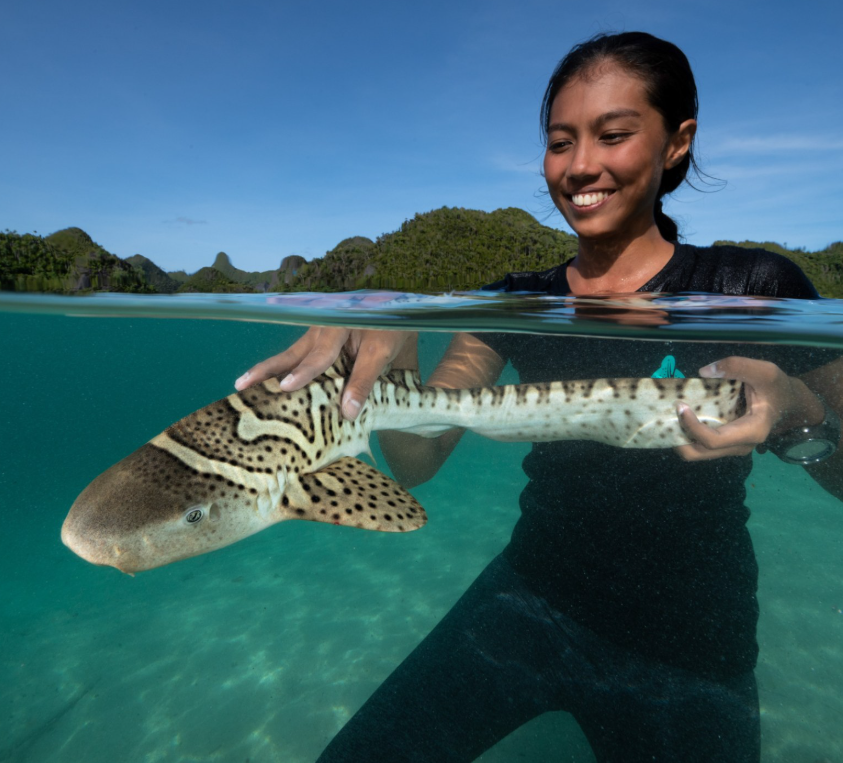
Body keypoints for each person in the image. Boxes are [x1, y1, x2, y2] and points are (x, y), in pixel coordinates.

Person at [236, 32, 842, 763]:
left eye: (613, 135)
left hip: (693, 644)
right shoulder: (513, 304)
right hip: (530, 596)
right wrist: (389, 370)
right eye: (560, 142)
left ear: (677, 142)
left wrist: (799, 413)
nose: (580, 165)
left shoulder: (757, 291)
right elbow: (420, 458)